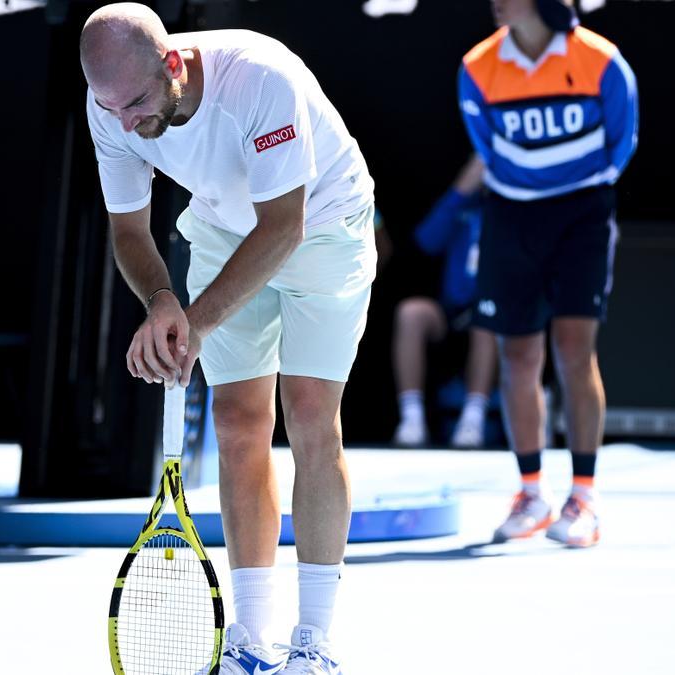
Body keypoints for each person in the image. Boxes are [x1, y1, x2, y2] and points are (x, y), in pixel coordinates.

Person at [80, 4, 376, 673]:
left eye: (136, 102)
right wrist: (162, 301)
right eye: (111, 106)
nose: (126, 122)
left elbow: (283, 226)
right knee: (239, 420)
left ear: (174, 64)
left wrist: (198, 320)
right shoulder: (110, 105)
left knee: (309, 415)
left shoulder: (259, 79)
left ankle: (316, 640)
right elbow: (129, 230)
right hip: (220, 226)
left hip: (322, 224)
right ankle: (247, 633)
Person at [458, 0, 638, 547]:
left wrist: (573, 190)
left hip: (583, 215)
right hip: (512, 217)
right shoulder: (476, 67)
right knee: (517, 354)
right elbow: (486, 146)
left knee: (574, 350)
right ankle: (531, 493)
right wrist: (529, 190)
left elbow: (622, 141)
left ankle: (583, 495)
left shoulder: (601, 61)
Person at [391, 154, 497, 449]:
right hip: (451, 311)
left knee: (486, 317)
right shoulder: (463, 206)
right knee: (411, 313)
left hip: (495, 315)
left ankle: (472, 421)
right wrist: (462, 188)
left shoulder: (516, 209)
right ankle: (411, 418)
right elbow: (425, 241)